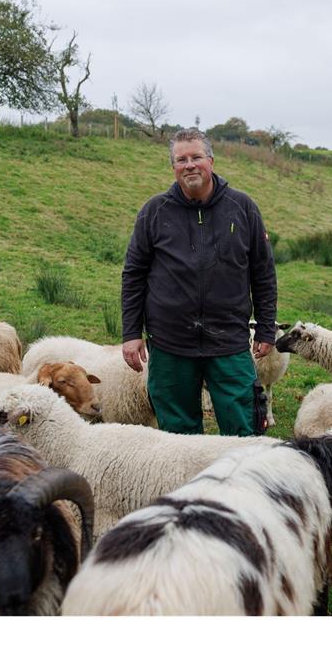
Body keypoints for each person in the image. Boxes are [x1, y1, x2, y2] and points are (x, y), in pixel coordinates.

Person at [121, 128, 277, 436]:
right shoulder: (154, 212)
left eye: (196, 157)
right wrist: (131, 333)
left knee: (243, 430)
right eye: (181, 160)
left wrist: (266, 326)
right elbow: (134, 274)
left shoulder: (242, 208)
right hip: (170, 343)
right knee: (177, 435)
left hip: (228, 340)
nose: (189, 165)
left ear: (211, 161)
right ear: (173, 167)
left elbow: (263, 271)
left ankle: (242, 484)